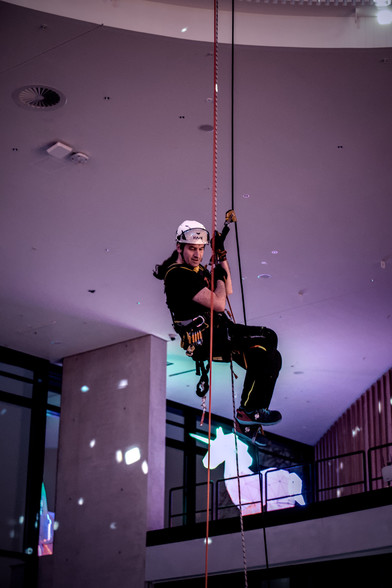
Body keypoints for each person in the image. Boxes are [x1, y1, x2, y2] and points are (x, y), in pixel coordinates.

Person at [154, 220, 282, 446]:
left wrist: (221, 256)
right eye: (192, 248)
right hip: (206, 338)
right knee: (266, 339)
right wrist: (219, 277)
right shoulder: (177, 275)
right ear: (179, 247)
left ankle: (248, 416)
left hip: (222, 332)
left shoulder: (197, 270)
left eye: (201, 249)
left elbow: (228, 289)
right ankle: (248, 411)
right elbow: (220, 303)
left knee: (270, 353)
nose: (197, 254)